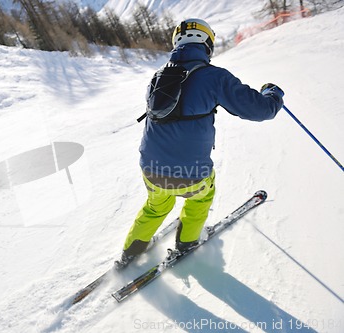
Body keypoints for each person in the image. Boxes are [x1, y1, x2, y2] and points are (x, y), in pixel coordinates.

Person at [115, 18, 284, 268]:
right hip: (191, 174)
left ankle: (130, 253)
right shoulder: (214, 77)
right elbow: (260, 110)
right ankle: (187, 242)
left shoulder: (158, 77)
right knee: (200, 199)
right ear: (207, 43)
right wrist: (273, 94)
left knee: (156, 206)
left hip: (150, 168)